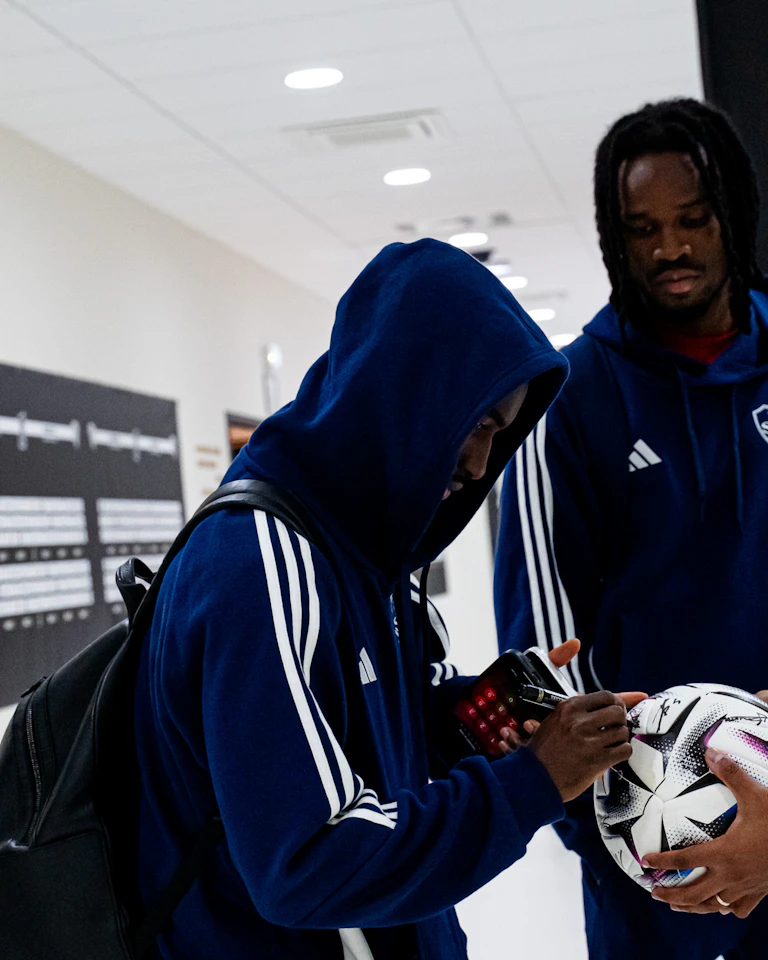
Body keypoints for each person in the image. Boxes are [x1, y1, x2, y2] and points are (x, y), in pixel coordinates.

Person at [133, 239, 640, 960]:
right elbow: (308, 861)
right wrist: (532, 783)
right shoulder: (261, 561)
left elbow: (379, 732)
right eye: (471, 425)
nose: (475, 466)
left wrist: (501, 710)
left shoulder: (369, 555)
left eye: (497, 436)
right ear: (400, 394)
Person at [493, 98, 768, 960]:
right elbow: (544, 657)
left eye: (692, 220)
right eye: (642, 228)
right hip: (654, 849)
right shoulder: (569, 399)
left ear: (734, 216)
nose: (671, 249)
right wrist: (615, 843)